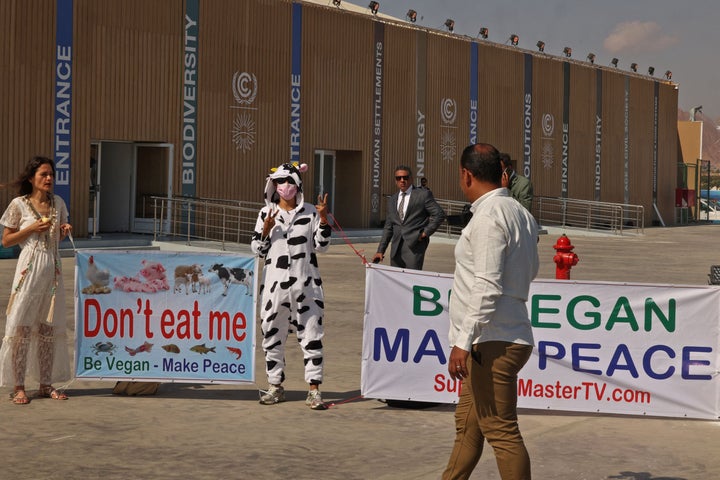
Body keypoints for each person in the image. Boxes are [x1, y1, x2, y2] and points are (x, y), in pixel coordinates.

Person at [442, 143, 539, 480]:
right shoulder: (520, 213)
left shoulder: (488, 217)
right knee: (468, 428)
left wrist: (463, 341)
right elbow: (530, 269)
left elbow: (486, 285)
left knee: (501, 432)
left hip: (492, 341)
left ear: (466, 175)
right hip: (503, 335)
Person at [250, 162, 332, 410]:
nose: (283, 187)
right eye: (279, 182)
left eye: (288, 182)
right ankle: (275, 386)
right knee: (272, 336)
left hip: (306, 285)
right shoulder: (266, 213)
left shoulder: (310, 212)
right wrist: (265, 231)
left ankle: (314, 390)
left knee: (312, 336)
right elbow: (257, 250)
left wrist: (325, 219)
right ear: (272, 186)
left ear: (297, 185)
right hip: (275, 288)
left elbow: (322, 245)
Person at [0, 156, 73, 404]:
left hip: (52, 271)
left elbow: (56, 240)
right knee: (20, 328)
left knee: (47, 329)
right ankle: (19, 386)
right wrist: (31, 229)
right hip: (28, 270)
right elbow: (7, 241)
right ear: (32, 178)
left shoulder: (59, 203)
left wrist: (63, 231)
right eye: (43, 174)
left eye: (51, 174)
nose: (49, 178)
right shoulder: (18, 204)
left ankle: (45, 384)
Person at [372, 166, 445, 270]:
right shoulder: (392, 200)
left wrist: (425, 233)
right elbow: (388, 227)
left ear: (411, 178)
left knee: (411, 281)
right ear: (396, 180)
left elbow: (439, 214)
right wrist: (380, 251)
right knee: (397, 281)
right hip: (396, 248)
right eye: (399, 178)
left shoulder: (422, 195)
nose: (402, 180)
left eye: (405, 177)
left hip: (414, 247)